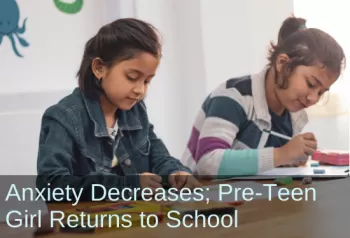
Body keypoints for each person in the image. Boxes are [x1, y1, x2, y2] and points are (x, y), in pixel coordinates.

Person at [36, 18, 200, 200]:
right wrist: (127, 185)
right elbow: (51, 185)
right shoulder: (63, 117)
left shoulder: (136, 111)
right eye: (131, 77)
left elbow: (158, 156)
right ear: (99, 68)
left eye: (147, 81)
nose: (140, 90)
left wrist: (176, 172)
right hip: (87, 223)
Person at [180, 16, 346, 177]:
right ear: (282, 64)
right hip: (201, 197)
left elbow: (260, 163)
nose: (313, 98)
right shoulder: (233, 96)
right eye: (311, 84)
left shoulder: (292, 115)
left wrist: (288, 159)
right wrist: (282, 154)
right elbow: (208, 162)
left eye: (321, 92)